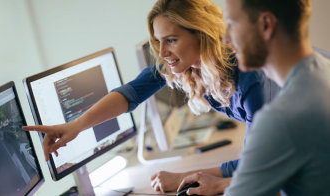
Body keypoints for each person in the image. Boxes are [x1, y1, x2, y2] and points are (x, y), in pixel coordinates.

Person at [23, 0, 279, 193]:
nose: (163, 52)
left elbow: (264, 166)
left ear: (201, 33)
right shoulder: (196, 66)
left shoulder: (249, 78)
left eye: (171, 40)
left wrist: (200, 179)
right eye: (159, 41)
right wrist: (77, 125)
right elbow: (131, 93)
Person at [177, 0, 330, 195]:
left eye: (233, 24)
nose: (225, 38)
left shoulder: (282, 118)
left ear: (266, 25)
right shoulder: (324, 71)